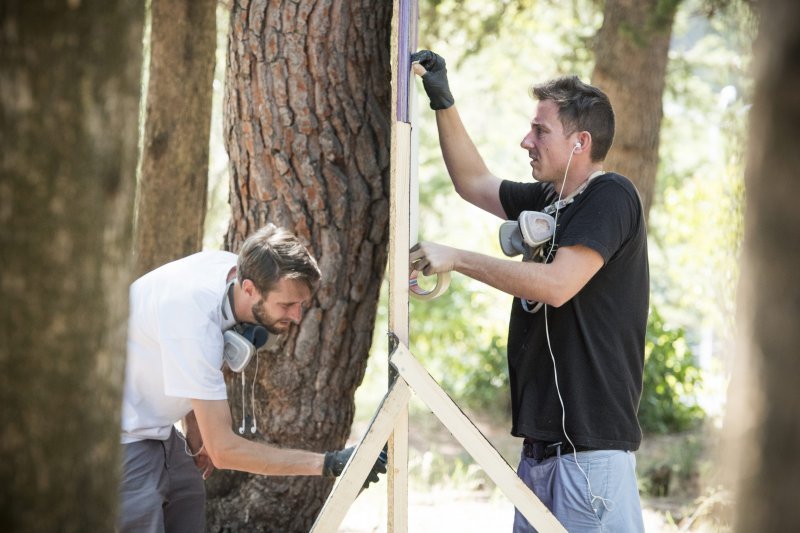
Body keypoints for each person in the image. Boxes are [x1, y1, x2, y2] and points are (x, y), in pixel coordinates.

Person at [408, 50, 648, 532]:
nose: (526, 141)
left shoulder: (611, 196)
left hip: (588, 457)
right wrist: (442, 100)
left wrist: (457, 258)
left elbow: (558, 285)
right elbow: (473, 182)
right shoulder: (548, 199)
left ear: (580, 143)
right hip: (540, 453)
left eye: (540, 131)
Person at [119, 224, 386, 532]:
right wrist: (330, 463)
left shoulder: (234, 272)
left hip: (159, 429)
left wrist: (196, 429)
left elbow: (187, 367)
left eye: (300, 304)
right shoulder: (193, 320)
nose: (297, 316)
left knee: (188, 501)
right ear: (248, 288)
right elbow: (223, 451)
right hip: (121, 438)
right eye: (286, 305)